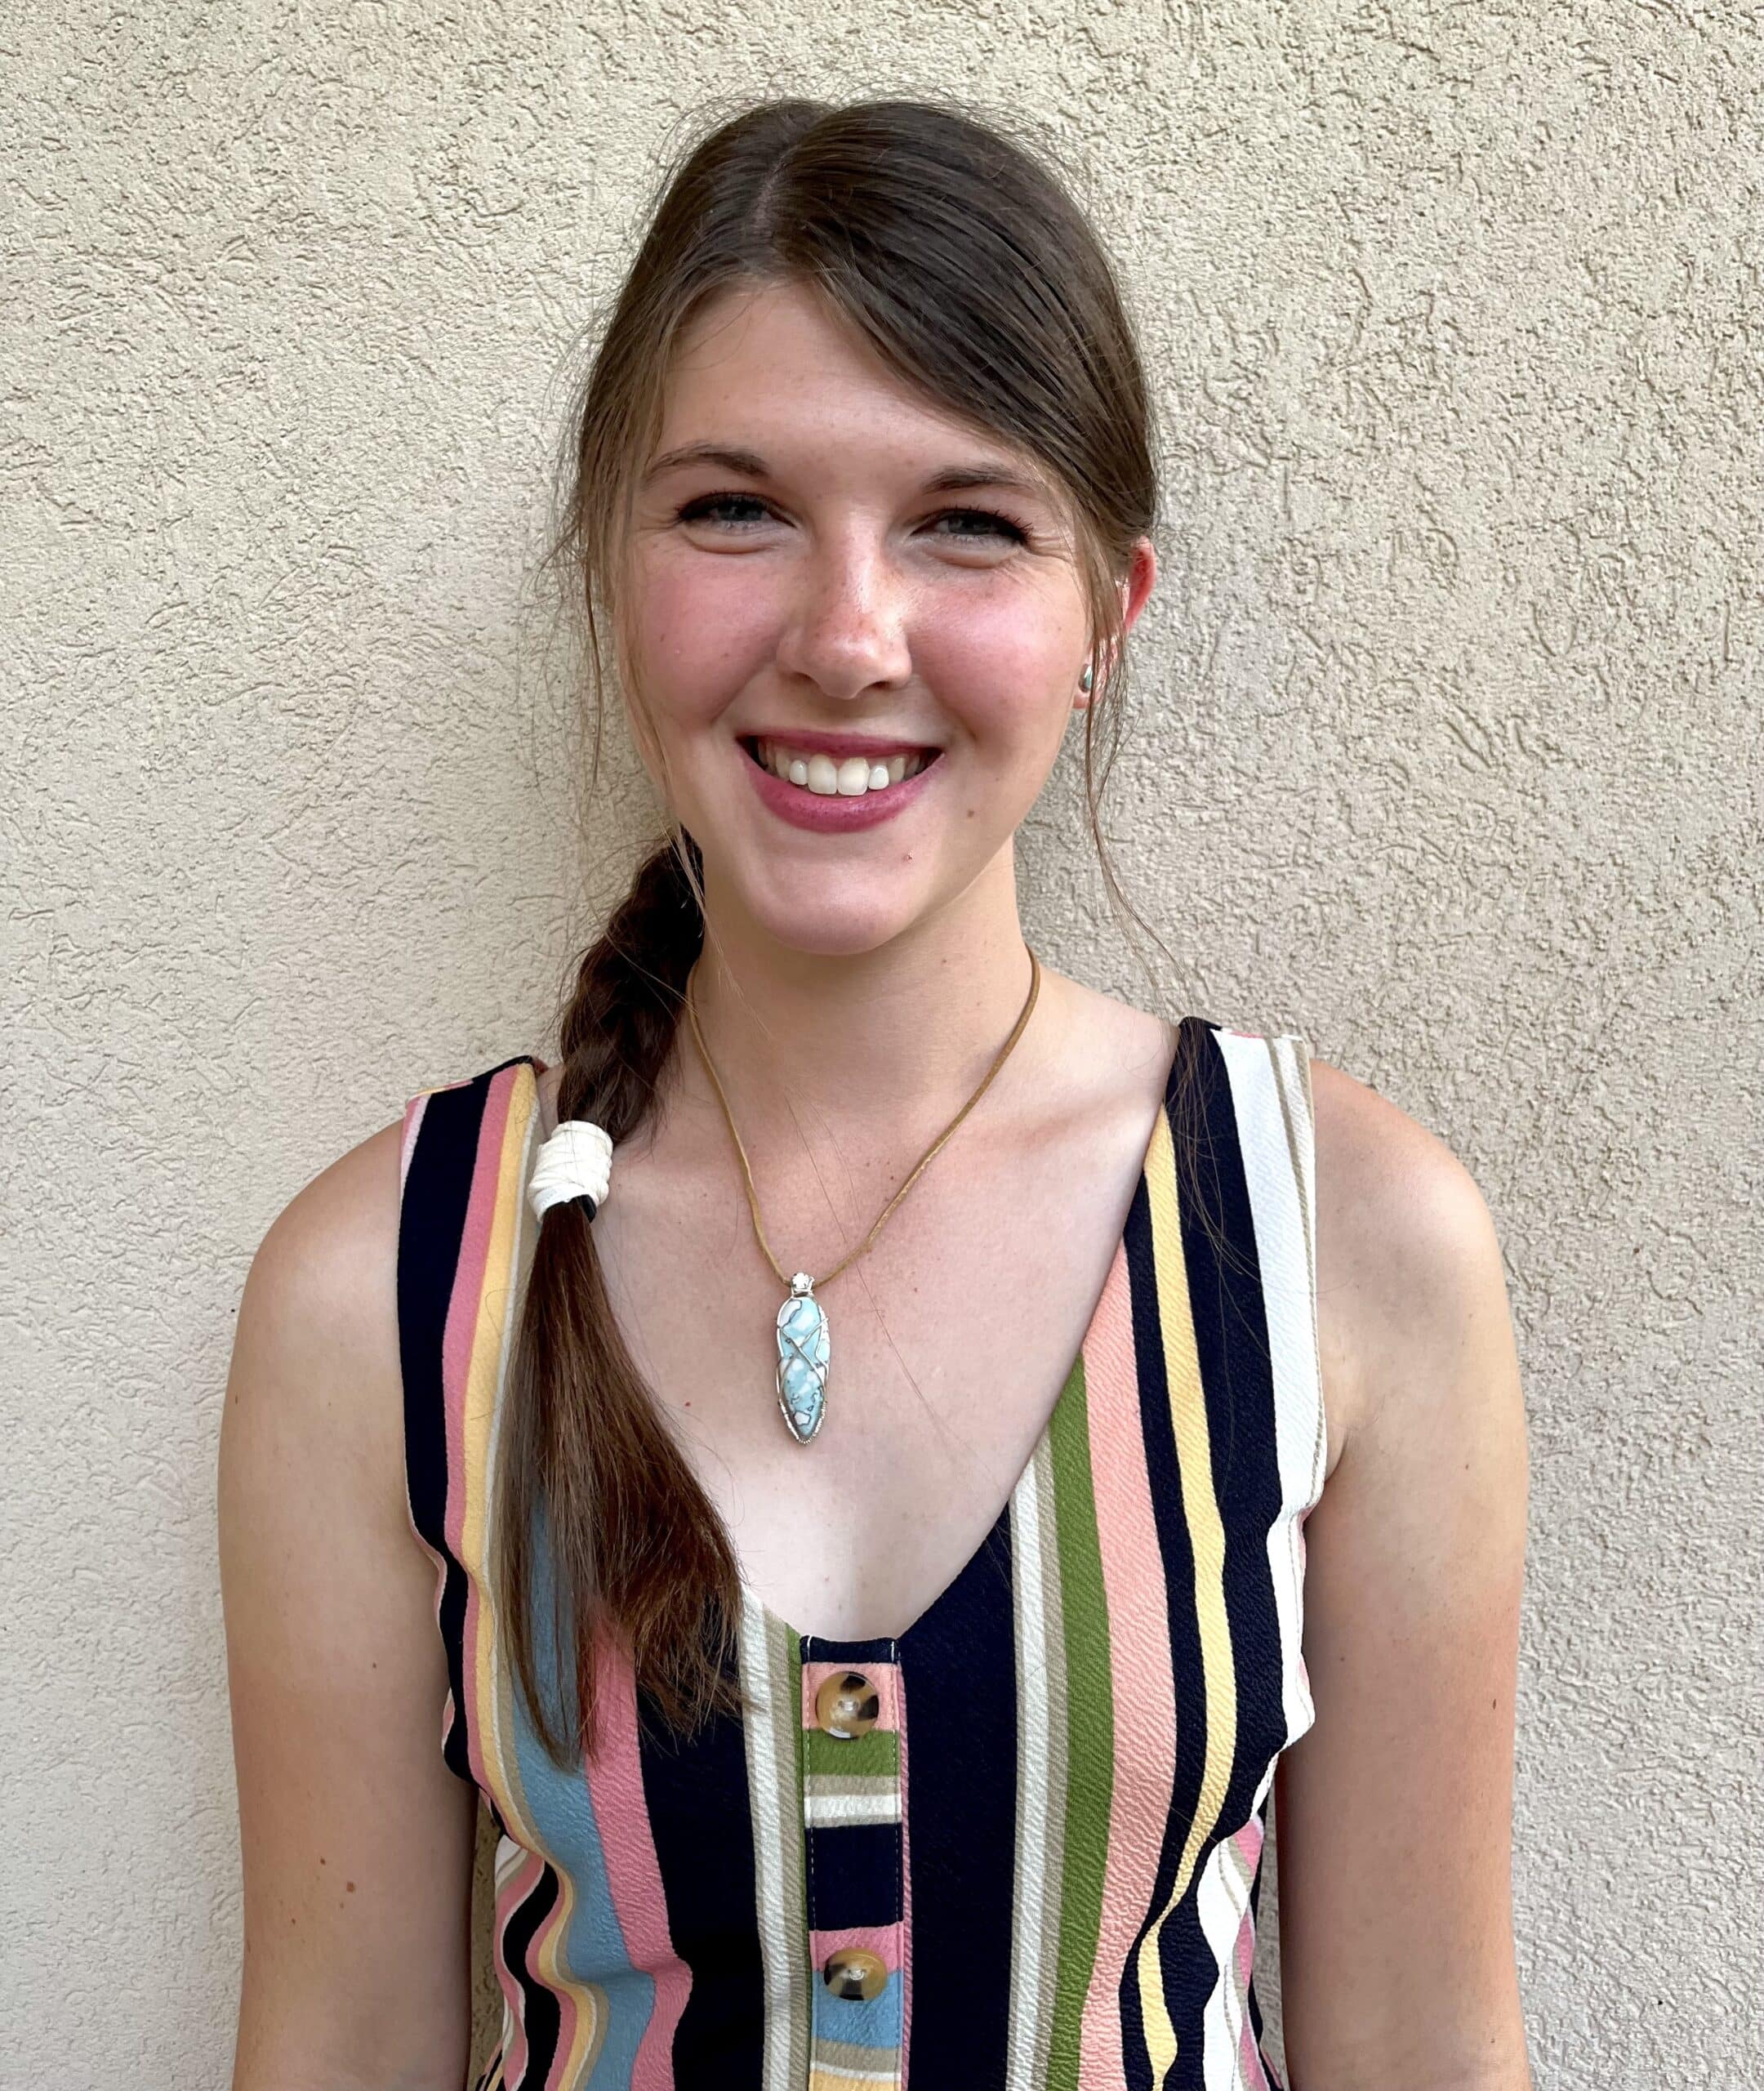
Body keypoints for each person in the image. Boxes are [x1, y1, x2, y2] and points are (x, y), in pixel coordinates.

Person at [218, 96, 1533, 2091]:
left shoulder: (1342, 1240)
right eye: (734, 508)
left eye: (967, 522)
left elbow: (1424, 2042)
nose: (847, 635)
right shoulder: (379, 1293)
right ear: (614, 564)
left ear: (1111, 612)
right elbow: (335, 2042)